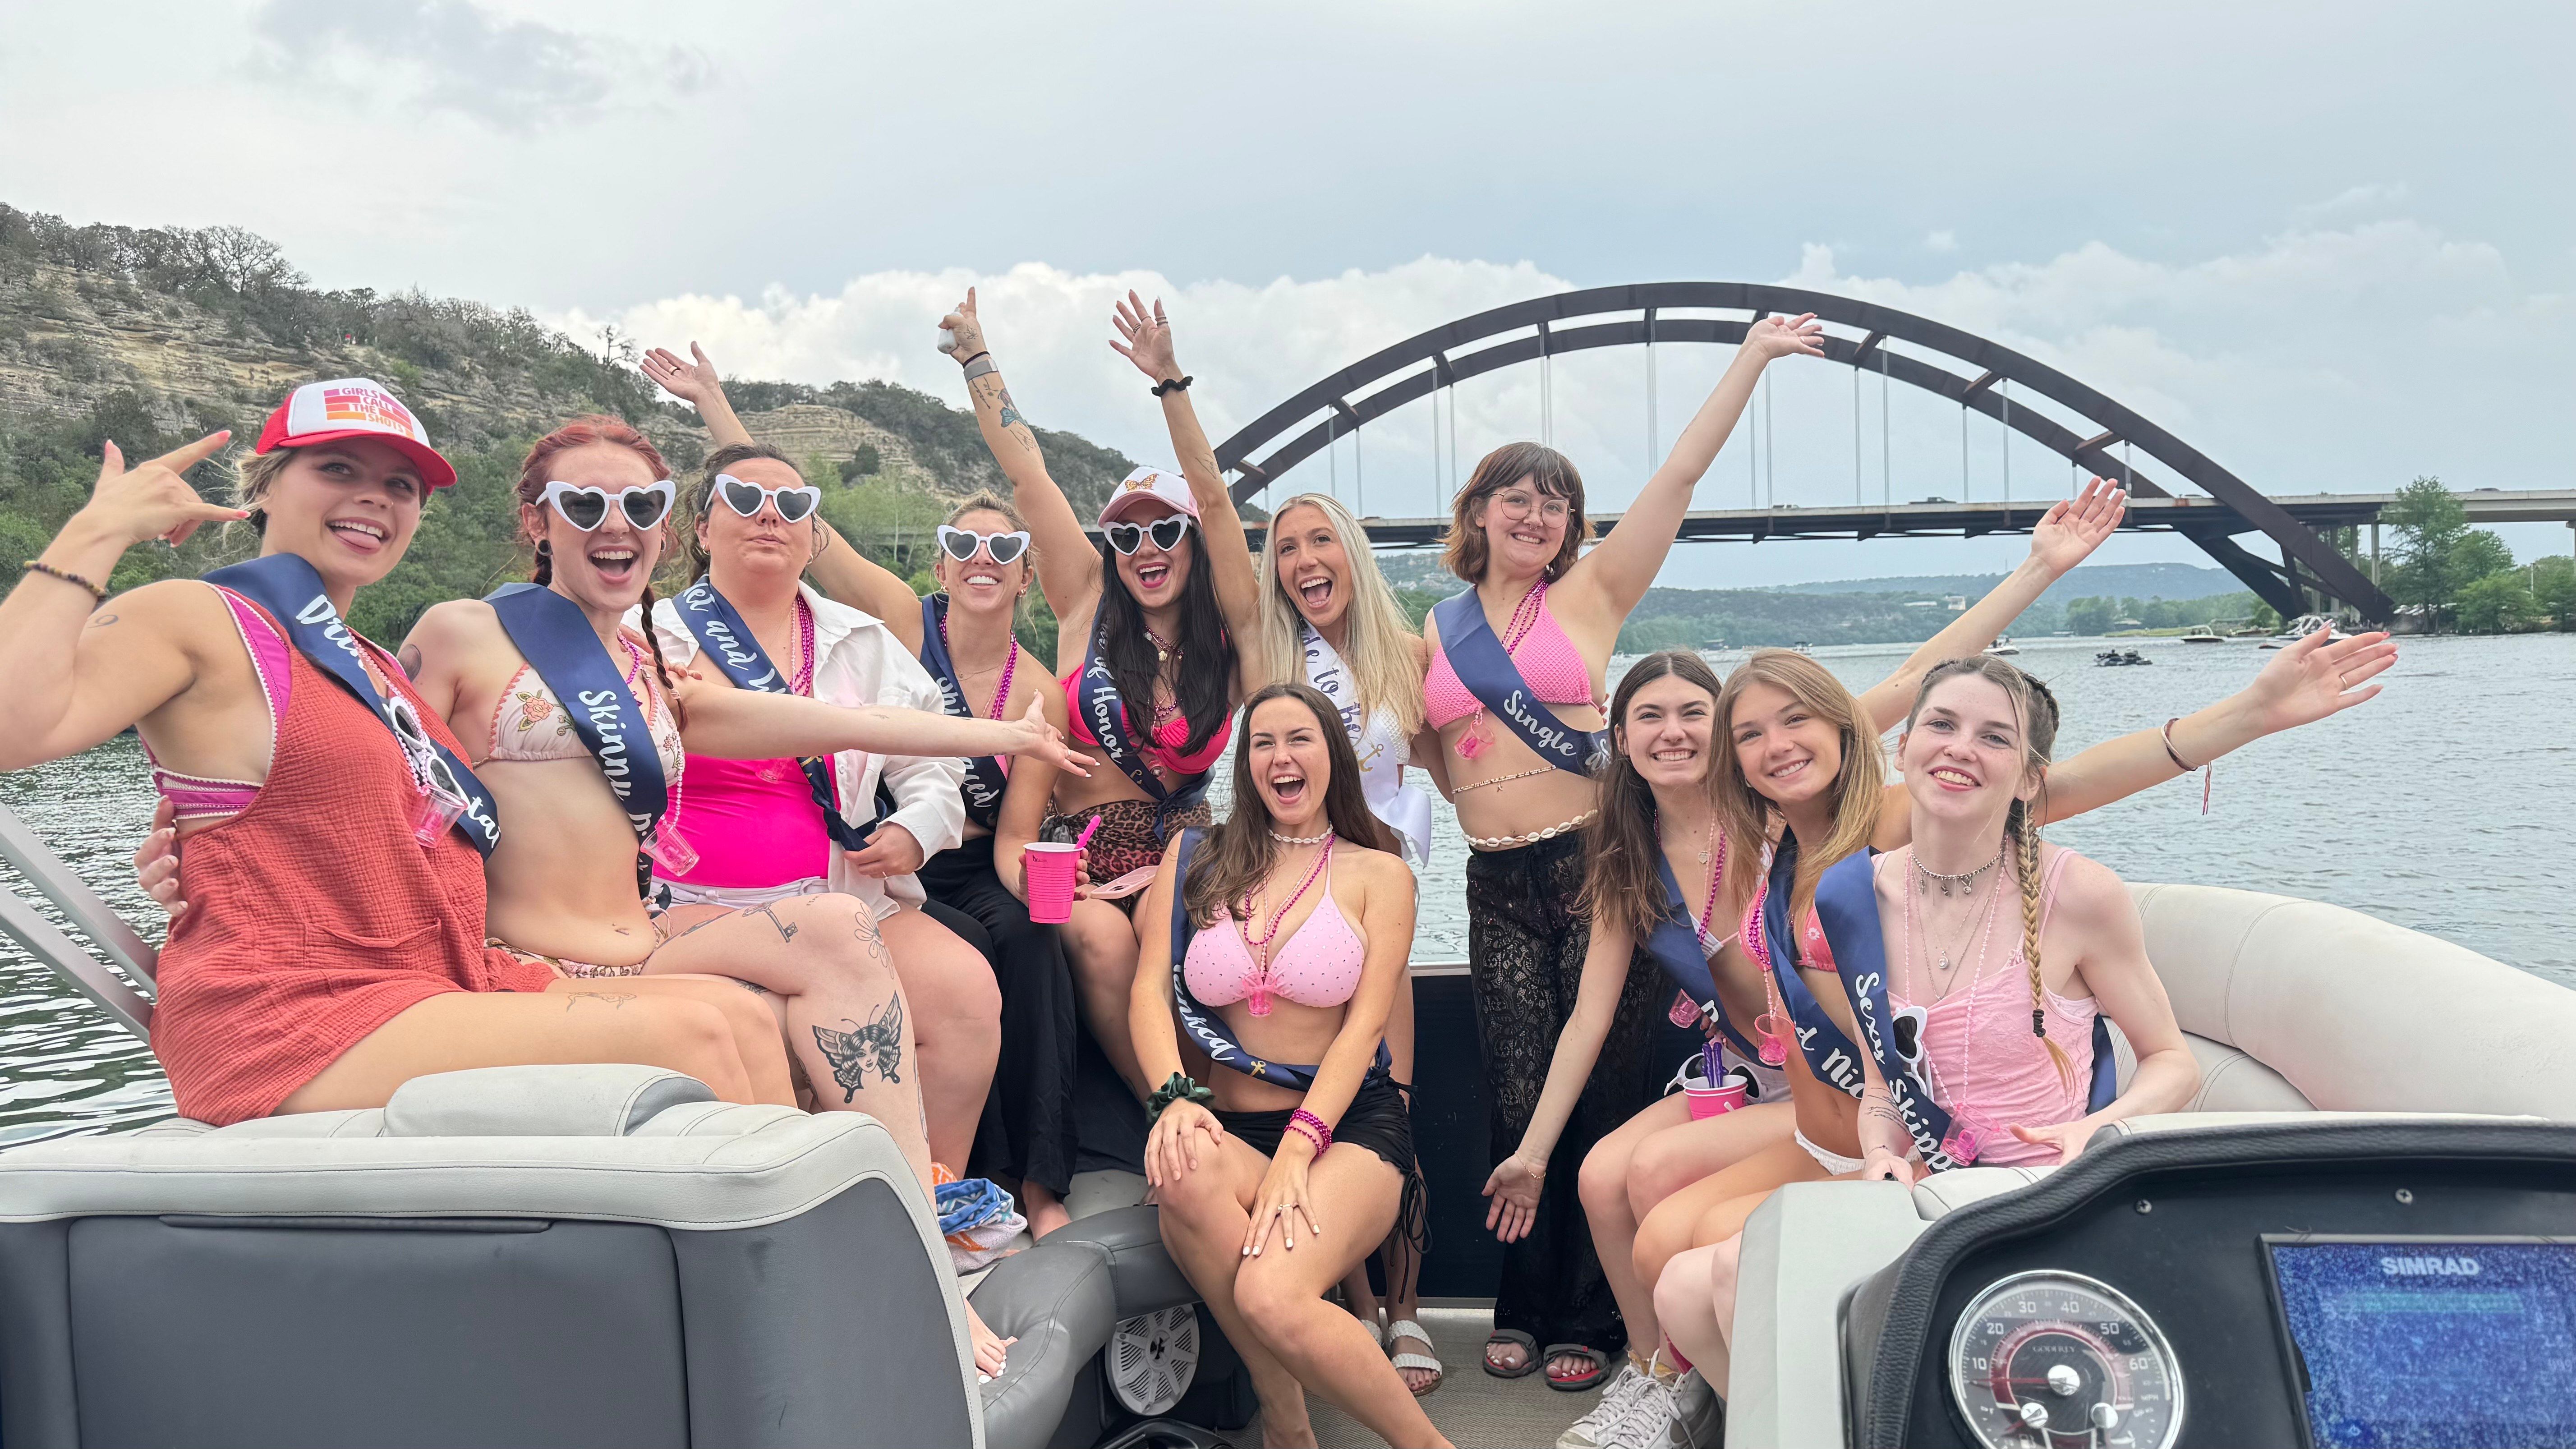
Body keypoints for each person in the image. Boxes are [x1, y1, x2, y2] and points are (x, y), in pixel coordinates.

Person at [5, 382, 787, 1132]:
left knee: (741, 1015)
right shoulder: (203, 615)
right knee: (697, 1037)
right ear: (266, 487)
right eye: (338, 469)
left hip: (421, 987)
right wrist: (97, 532)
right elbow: (16, 729)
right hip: (289, 1016)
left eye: (402, 484)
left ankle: (825, 1260)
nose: (377, 497)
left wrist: (197, 845)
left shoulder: (375, 667)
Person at [1427, 312, 1824, 1389]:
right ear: (1479, 512)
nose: (1536, 511)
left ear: (1570, 526)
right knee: (1517, 1093)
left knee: (1606, 1084)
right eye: (1516, 493)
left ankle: (1592, 1320)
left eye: (1555, 499)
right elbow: (1415, 749)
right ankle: (1522, 1296)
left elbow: (1681, 476)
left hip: (1592, 858)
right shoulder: (1436, 627)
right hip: (1495, 874)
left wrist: (1751, 357)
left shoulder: (1593, 596)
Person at [1655, 656, 2203, 1386]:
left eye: (1994, 737)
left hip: (2040, 1188)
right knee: (1680, 1292)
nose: (1959, 748)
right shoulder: (1859, 893)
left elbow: (2174, 1060)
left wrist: (2097, 1131)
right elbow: (1884, 1077)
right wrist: (1879, 1142)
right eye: (1941, 725)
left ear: (2030, 777)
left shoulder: (2079, 894)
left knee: (1734, 1268)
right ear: (1906, 745)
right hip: (1919, 1180)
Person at [642, 344, 1085, 1235]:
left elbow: (933, 773)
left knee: (967, 988)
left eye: (793, 505)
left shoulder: (860, 640)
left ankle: (937, 1195)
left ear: (814, 533)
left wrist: (919, 831)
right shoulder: (649, 634)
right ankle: (841, 1216)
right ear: (702, 529)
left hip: (846, 891)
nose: (770, 517)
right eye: (744, 501)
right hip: (691, 901)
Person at [939, 289, 1262, 1097]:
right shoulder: (1084, 601)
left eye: (1163, 530)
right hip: (1078, 857)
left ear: (1188, 543)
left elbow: (1218, 501)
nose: (1144, 547)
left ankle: (1220, 1115)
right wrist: (979, 359)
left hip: (1183, 853)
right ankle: (1170, 1113)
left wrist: (1169, 384)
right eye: (1125, 533)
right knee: (1104, 944)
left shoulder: (1230, 638)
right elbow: (1027, 475)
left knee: (1184, 936)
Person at [1131, 684, 1446, 1449]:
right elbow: (1148, 990)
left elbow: (1364, 1029)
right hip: (1231, 1125)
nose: (1282, 757)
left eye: (1299, 738)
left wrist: (1300, 1149)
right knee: (1180, 1166)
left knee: (1271, 1292)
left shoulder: (1382, 873)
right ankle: (1290, 1428)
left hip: (1345, 1132)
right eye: (1263, 742)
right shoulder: (1196, 858)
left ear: (1331, 756)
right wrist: (1173, 1097)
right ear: (1247, 765)